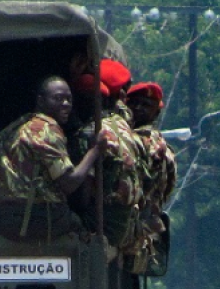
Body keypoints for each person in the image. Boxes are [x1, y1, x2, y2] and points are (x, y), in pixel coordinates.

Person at [0, 76, 105, 242]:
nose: (66, 104)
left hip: (7, 218)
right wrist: (94, 151)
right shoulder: (46, 129)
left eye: (69, 99)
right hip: (38, 219)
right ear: (41, 101)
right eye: (58, 98)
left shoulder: (16, 127)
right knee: (84, 223)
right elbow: (69, 183)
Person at [73, 59, 147, 249]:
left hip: (103, 225)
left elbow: (84, 193)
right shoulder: (124, 126)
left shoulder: (91, 133)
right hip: (127, 225)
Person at [126, 81, 175, 238]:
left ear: (156, 113)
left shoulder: (139, 141)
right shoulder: (164, 146)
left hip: (138, 223)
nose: (139, 108)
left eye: (146, 105)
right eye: (134, 103)